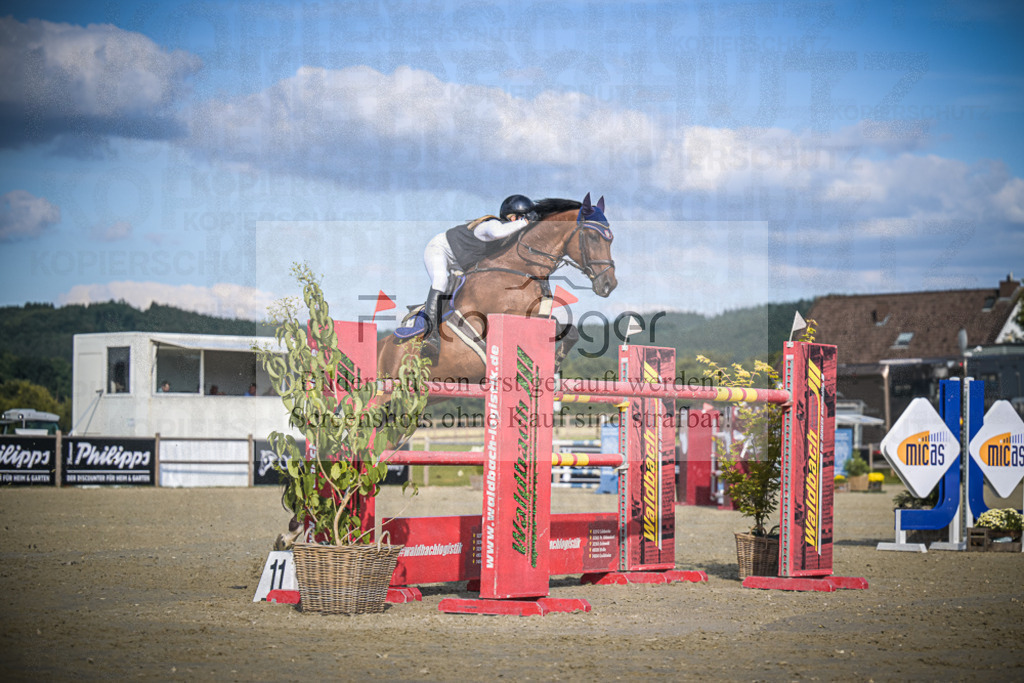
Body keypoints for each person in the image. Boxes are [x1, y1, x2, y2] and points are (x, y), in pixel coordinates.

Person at [395, 195, 537, 349]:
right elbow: (497, 233)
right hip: (441, 249)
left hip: (460, 263)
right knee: (441, 281)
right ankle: (430, 334)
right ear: (512, 217)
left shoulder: (508, 239)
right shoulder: (492, 224)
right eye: (522, 218)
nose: (524, 224)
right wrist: (525, 222)